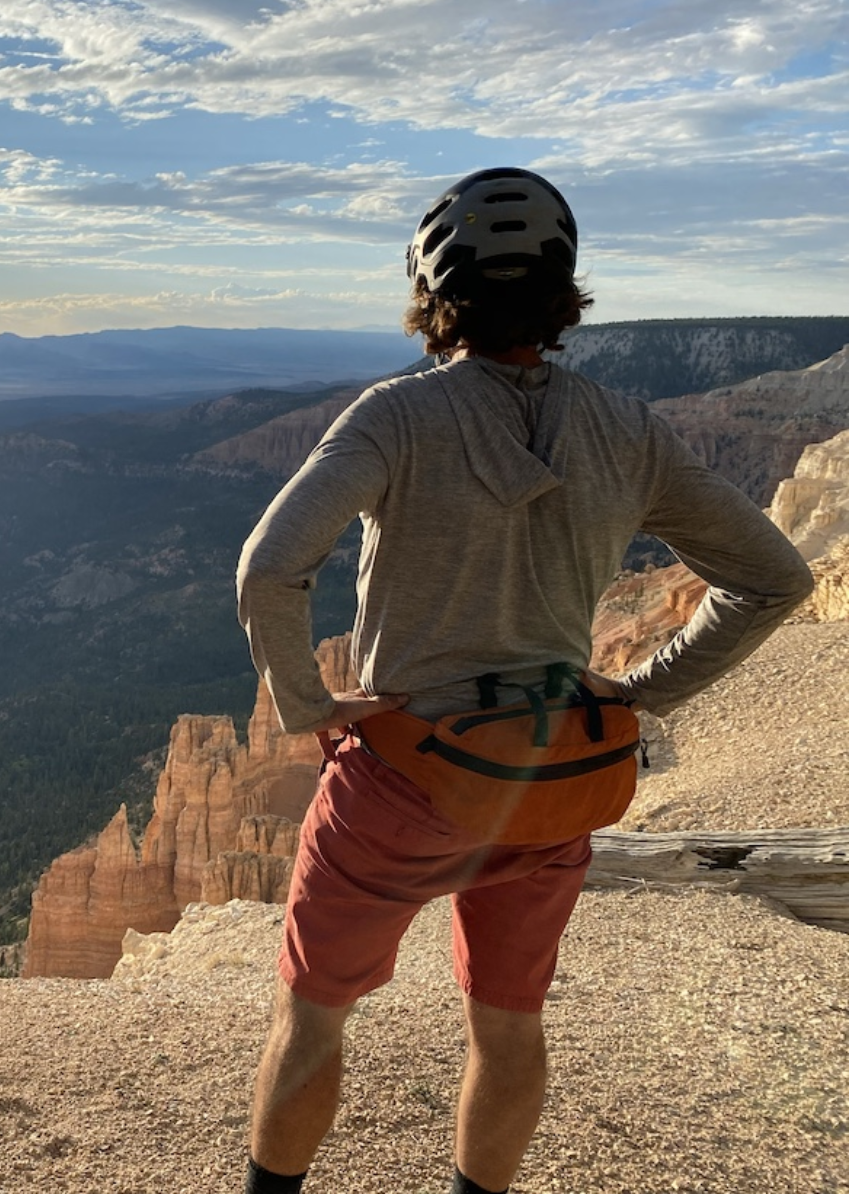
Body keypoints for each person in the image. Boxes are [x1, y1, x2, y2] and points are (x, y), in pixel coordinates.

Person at [234, 167, 816, 1194]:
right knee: (507, 1030)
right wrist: (639, 696)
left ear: (433, 293)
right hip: (551, 782)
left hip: (403, 778)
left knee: (313, 1016)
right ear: (560, 293)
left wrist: (311, 708)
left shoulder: (394, 417)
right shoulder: (627, 428)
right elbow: (771, 577)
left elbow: (268, 567)